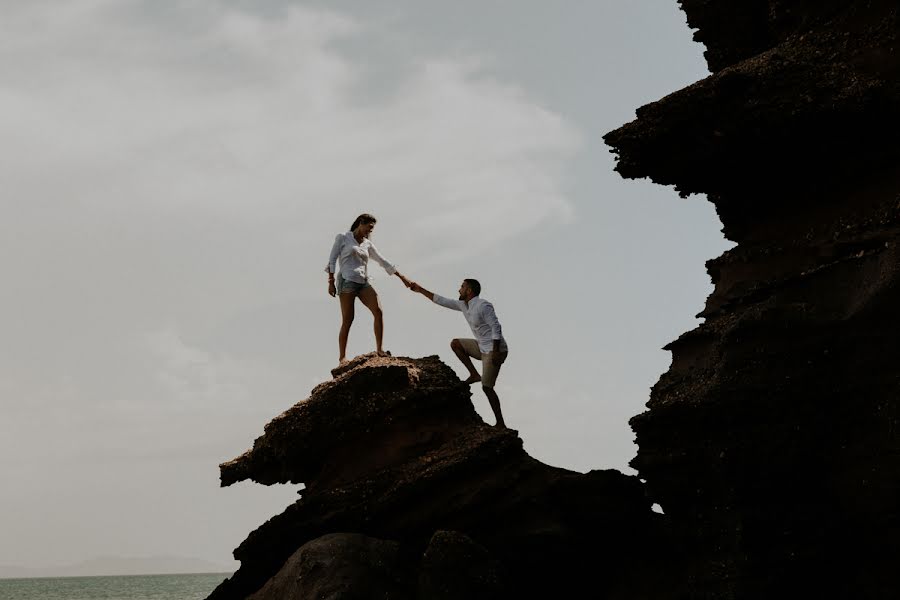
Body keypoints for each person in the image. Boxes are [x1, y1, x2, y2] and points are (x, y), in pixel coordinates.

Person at [408, 278, 509, 428]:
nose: (459, 290)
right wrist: (420, 290)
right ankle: (474, 374)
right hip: (481, 346)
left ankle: (500, 423)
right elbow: (441, 300)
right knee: (456, 344)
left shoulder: (483, 305)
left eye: (462, 287)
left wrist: (495, 352)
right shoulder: (463, 305)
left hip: (495, 350)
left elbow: (496, 327)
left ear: (469, 290)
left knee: (487, 387)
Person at [325, 213, 411, 364]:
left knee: (378, 311)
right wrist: (330, 281)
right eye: (369, 228)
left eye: (372, 229)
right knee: (348, 319)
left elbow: (382, 261)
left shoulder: (367, 244)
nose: (370, 231)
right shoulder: (343, 237)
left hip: (363, 282)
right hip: (347, 282)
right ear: (360, 223)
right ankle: (342, 357)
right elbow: (332, 259)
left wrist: (402, 277)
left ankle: (380, 349)